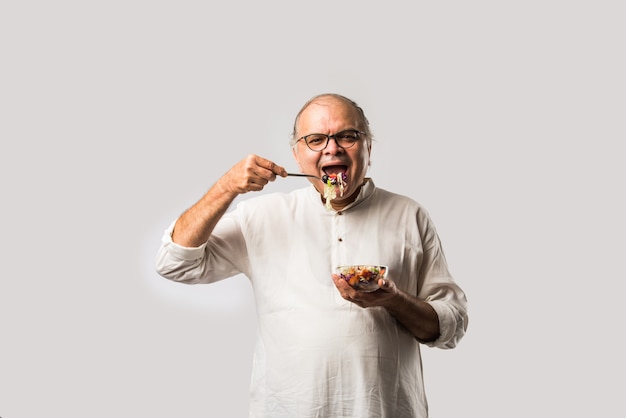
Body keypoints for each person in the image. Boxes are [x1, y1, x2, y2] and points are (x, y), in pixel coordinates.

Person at [155, 93, 468, 417]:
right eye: (316, 139)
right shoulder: (262, 216)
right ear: (298, 155)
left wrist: (393, 300)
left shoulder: (409, 215)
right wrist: (226, 187)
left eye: (348, 136)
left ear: (368, 148)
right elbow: (174, 264)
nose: (332, 148)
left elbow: (452, 324)